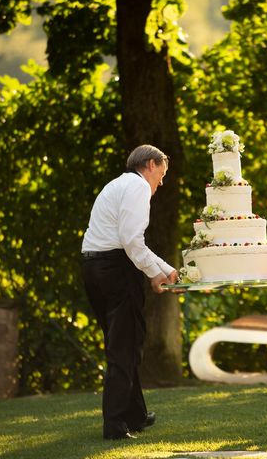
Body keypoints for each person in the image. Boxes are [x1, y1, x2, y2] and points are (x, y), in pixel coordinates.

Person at [81, 144, 178, 440]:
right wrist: (159, 272)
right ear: (149, 164)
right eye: (161, 175)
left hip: (93, 267)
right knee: (124, 347)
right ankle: (114, 424)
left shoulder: (116, 184)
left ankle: (134, 414)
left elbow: (128, 243)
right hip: (116, 269)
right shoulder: (137, 187)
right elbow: (132, 242)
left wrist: (158, 268)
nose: (160, 184)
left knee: (123, 341)